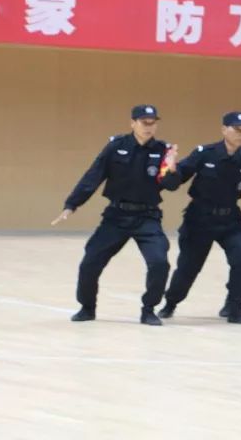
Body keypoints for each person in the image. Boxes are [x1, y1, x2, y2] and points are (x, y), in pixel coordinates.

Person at [52, 105, 175, 326]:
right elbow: (93, 175)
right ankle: (87, 307)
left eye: (153, 123)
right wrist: (72, 204)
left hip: (147, 217)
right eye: (144, 122)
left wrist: (173, 169)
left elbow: (171, 185)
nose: (149, 127)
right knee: (90, 262)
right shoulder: (116, 147)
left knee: (159, 263)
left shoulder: (164, 150)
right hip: (116, 216)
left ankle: (148, 309)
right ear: (133, 123)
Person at [158, 111, 241, 324]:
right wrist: (170, 170)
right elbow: (174, 183)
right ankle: (171, 303)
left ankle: (235, 308)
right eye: (236, 128)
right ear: (224, 130)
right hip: (200, 219)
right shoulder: (205, 154)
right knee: (189, 267)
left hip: (230, 220)